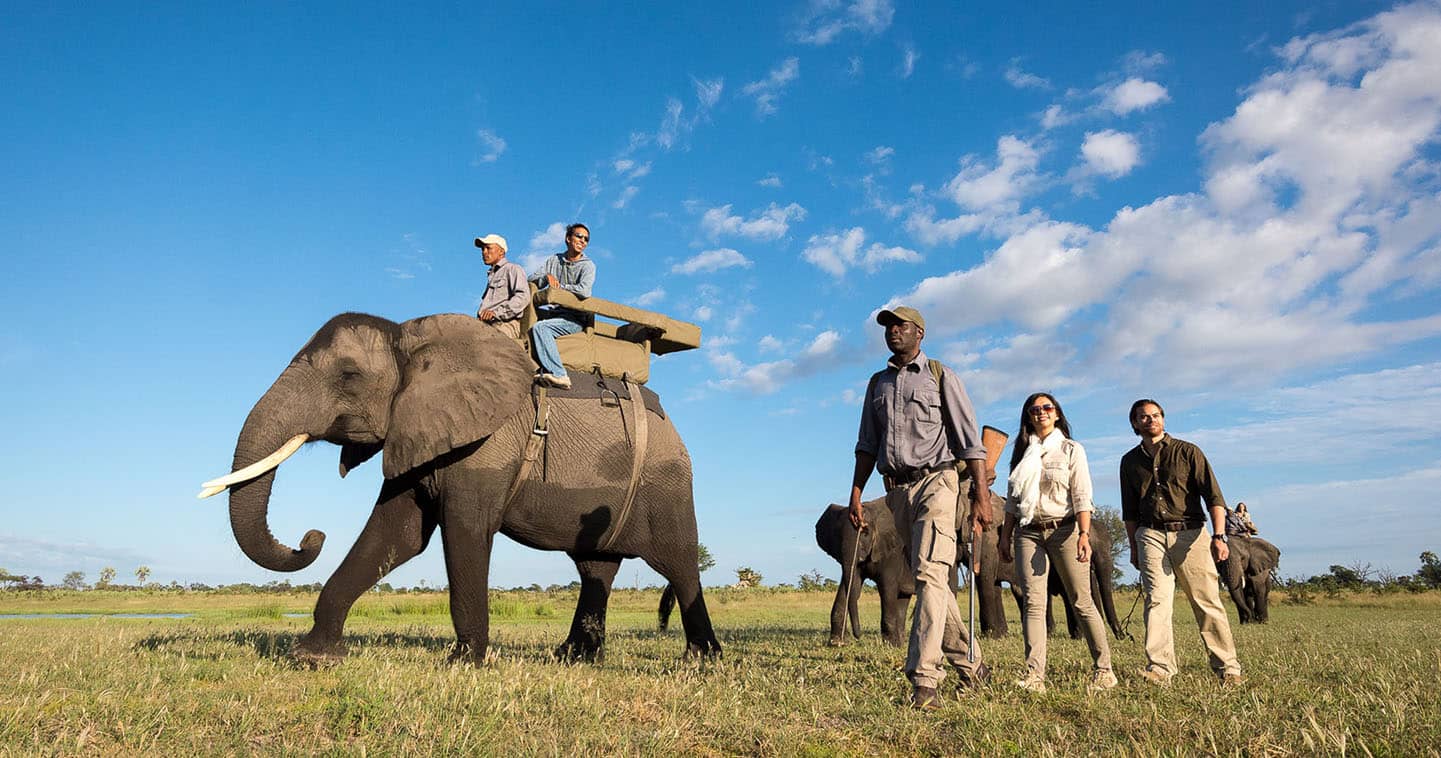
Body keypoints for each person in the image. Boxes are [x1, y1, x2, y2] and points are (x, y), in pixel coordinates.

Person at [849, 306, 992, 710]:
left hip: (937, 482)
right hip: (896, 491)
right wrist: (857, 493)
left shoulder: (941, 376)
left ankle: (924, 681)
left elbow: (969, 440)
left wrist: (981, 496)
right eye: (888, 327)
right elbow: (866, 444)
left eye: (901, 326)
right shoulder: (877, 383)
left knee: (930, 574)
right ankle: (974, 666)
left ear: (920, 334)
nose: (893, 332)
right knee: (931, 582)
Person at [1120, 399, 1243, 686]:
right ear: (1135, 424)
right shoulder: (1129, 461)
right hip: (1149, 534)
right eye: (1143, 417)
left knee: (1206, 600)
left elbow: (1214, 497)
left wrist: (1219, 536)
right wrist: (1133, 547)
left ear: (1163, 418)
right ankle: (1160, 668)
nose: (1150, 420)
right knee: (1157, 601)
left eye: (1155, 415)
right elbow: (1129, 510)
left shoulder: (1188, 452)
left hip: (1190, 532)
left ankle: (1228, 667)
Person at [998, 393, 1116, 693]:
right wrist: (1004, 536)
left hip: (1064, 530)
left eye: (1046, 408)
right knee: (1033, 604)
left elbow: (1081, 495)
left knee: (1082, 601)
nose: (1041, 413)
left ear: (1057, 415)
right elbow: (1012, 500)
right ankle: (1034, 676)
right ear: (1028, 417)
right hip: (1028, 531)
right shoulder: (1023, 453)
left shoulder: (1071, 449)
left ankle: (1104, 670)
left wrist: (1085, 535)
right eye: (1034, 410)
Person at [528, 223, 596, 389]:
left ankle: (559, 373)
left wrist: (559, 288)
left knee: (540, 328)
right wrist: (546, 277)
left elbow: (584, 291)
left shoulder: (588, 266)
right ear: (568, 238)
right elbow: (531, 279)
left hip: (574, 318)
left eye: (586, 239)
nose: (583, 241)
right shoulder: (554, 260)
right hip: (555, 313)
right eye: (579, 236)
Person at [474, 233, 529, 340]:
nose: (484, 252)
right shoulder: (492, 276)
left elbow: (523, 297)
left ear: (501, 252)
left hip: (504, 324)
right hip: (485, 325)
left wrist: (496, 313)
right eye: (483, 249)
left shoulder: (513, 269)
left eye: (488, 248)